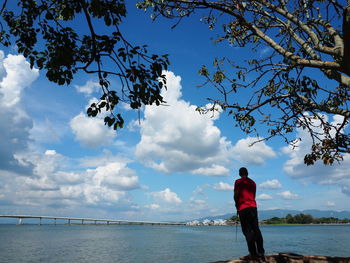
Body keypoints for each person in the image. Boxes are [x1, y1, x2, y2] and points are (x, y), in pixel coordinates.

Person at [234, 167, 265, 261]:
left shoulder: (238, 182)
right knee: (256, 230)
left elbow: (236, 194)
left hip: (243, 208)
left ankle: (253, 254)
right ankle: (261, 252)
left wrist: (236, 204)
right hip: (253, 207)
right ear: (247, 173)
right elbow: (253, 195)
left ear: (240, 173)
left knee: (247, 231)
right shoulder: (253, 182)